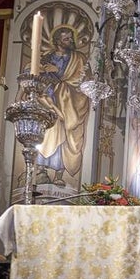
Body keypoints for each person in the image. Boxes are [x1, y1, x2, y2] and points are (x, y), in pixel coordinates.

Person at [36, 25, 90, 186]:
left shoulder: (78, 58)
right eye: (66, 38)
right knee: (46, 135)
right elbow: (37, 76)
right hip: (48, 102)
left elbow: (83, 81)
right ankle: (41, 170)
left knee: (63, 138)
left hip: (68, 103)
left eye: (71, 38)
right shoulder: (46, 57)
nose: (70, 41)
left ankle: (59, 175)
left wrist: (58, 73)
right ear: (57, 41)